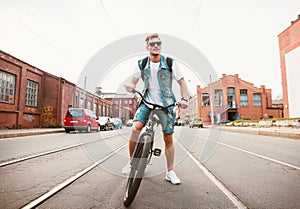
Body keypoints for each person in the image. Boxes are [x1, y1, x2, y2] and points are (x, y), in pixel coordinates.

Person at [122, 33, 189, 185]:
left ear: (161, 45)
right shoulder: (142, 63)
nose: (156, 46)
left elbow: (182, 83)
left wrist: (184, 99)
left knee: (168, 137)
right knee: (135, 128)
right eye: (152, 44)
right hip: (147, 102)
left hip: (166, 105)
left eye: (158, 43)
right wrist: (130, 87)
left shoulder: (170, 63)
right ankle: (132, 163)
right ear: (147, 47)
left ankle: (170, 172)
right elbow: (133, 82)